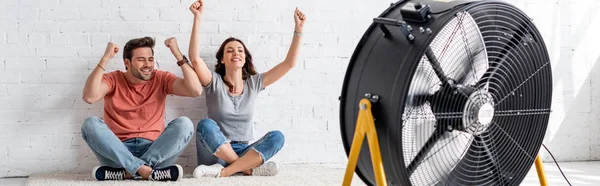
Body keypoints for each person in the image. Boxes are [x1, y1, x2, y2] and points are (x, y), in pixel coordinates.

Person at [186, 0, 307, 178]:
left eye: (240, 50)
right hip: (215, 152)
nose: (236, 53)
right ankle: (246, 169)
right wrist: (198, 18)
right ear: (222, 59)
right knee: (205, 125)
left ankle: (227, 171)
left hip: (243, 149)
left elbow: (289, 64)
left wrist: (299, 30)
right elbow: (194, 58)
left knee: (277, 137)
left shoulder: (254, 83)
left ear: (245, 58)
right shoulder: (214, 81)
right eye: (230, 51)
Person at [80, 36, 201, 181]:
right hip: (118, 152)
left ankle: (128, 172)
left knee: (184, 124)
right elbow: (89, 97)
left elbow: (195, 91)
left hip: (155, 151)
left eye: (150, 59)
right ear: (127, 62)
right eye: (141, 59)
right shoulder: (113, 79)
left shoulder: (161, 78)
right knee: (90, 124)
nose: (148, 64)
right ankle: (147, 172)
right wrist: (105, 58)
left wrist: (178, 55)